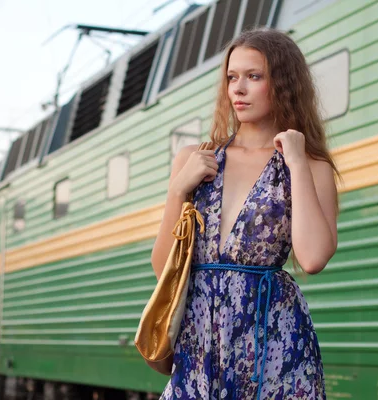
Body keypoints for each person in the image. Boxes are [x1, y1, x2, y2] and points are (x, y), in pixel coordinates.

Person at [151, 28, 339, 400]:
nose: (238, 89)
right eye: (232, 78)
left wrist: (297, 163)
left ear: (282, 83)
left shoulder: (309, 165)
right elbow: (163, 268)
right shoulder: (194, 159)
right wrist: (178, 190)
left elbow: (314, 258)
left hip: (274, 343)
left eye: (254, 76)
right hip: (201, 344)